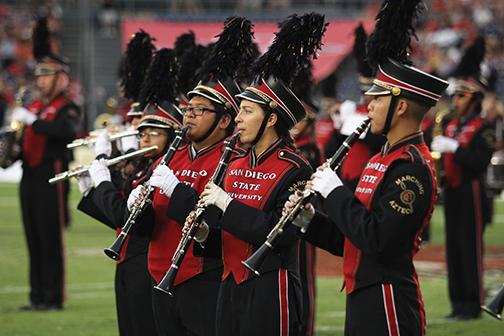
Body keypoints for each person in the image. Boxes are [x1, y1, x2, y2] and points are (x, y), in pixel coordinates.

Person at [284, 1, 449, 334]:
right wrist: (310, 222)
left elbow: (378, 241)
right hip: (362, 292)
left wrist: (333, 191)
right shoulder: (381, 158)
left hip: (388, 298)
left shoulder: (411, 169)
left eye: (378, 98)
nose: (369, 105)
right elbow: (354, 236)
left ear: (401, 106)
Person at [195, 13, 325, 336]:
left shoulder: (295, 168)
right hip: (229, 284)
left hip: (271, 287)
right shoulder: (235, 161)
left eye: (247, 111)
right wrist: (202, 235)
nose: (237, 118)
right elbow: (225, 235)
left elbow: (278, 234)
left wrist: (226, 203)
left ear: (270, 119)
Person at [130, 17, 254, 336]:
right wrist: (138, 207)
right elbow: (150, 227)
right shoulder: (174, 153)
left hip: (202, 277)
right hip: (158, 273)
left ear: (225, 119)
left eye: (201, 111)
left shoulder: (233, 160)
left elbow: (212, 222)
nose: (190, 116)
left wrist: (175, 189)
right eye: (189, 109)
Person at [76, 47, 176, 336]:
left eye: (152, 133)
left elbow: (135, 222)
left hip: (148, 267)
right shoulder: (147, 167)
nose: (143, 137)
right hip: (128, 262)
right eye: (142, 132)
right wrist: (91, 193)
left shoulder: (163, 171)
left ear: (171, 136)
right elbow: (123, 223)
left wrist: (104, 183)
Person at [11, 17, 81, 311]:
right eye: (38, 75)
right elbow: (25, 139)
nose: (40, 80)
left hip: (52, 175)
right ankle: (36, 295)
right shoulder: (36, 106)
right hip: (29, 175)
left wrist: (34, 122)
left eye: (46, 75)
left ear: (60, 77)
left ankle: (53, 297)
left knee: (50, 239)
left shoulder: (68, 106)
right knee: (33, 237)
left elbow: (64, 133)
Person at [431, 36, 496, 320]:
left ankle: (473, 305)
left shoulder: (484, 127)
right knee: (454, 248)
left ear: (474, 98)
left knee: (470, 248)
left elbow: (480, 162)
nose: (455, 100)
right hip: (453, 191)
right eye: (455, 95)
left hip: (472, 191)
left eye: (461, 96)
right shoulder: (451, 124)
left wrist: (455, 149)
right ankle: (457, 303)